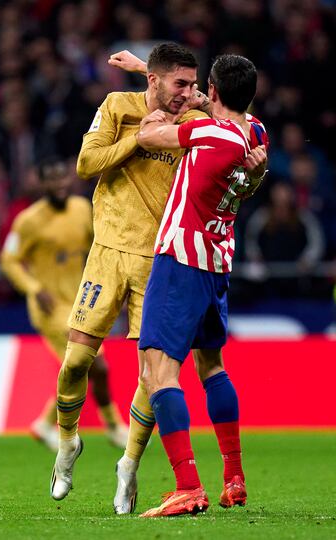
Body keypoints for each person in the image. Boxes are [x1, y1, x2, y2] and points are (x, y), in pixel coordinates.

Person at [50, 42, 212, 502]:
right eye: (179, 84)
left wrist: (184, 98)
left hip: (160, 261)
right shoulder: (117, 107)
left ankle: (130, 462)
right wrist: (136, 140)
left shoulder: (194, 123)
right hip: (106, 252)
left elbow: (236, 124)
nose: (187, 93)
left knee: (152, 376)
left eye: (192, 85)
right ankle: (67, 444)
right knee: (76, 362)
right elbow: (85, 164)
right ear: (155, 80)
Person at [133, 53, 268, 517]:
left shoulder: (209, 132)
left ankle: (188, 485)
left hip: (182, 258)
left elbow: (146, 134)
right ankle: (234, 479)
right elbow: (249, 176)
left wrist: (156, 108)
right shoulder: (256, 135)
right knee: (211, 366)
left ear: (211, 90)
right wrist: (142, 68)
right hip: (218, 259)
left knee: (157, 371)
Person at [0, 156, 128, 451]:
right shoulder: (29, 221)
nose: (59, 184)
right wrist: (34, 288)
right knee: (95, 364)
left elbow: (99, 243)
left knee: (79, 367)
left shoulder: (82, 209)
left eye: (62, 178)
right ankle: (113, 425)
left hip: (80, 302)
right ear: (42, 183)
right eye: (52, 179)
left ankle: (44, 424)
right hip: (50, 307)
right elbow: (9, 260)